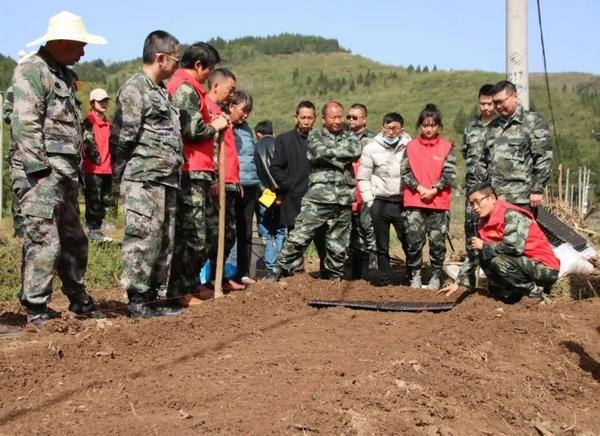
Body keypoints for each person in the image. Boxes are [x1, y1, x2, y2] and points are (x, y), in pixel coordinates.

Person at [11, 11, 106, 326]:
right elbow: (25, 124)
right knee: (44, 239)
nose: (83, 52)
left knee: (74, 240)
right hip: (41, 172)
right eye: (79, 44)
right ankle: (36, 308)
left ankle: (79, 300)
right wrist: (38, 172)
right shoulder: (31, 71)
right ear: (61, 41)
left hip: (65, 172)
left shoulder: (63, 75)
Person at [110, 30, 183, 318]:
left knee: (163, 240)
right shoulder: (134, 89)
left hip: (166, 178)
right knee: (143, 238)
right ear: (161, 57)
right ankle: (137, 299)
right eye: (176, 59)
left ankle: (153, 297)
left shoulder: (162, 91)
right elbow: (122, 138)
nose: (178, 65)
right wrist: (123, 176)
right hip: (144, 178)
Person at [267, 101, 362, 281]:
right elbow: (316, 153)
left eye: (340, 116)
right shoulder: (315, 135)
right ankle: (277, 269)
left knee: (338, 243)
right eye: (333, 117)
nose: (337, 121)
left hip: (343, 198)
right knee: (300, 234)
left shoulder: (350, 135)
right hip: (318, 198)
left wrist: (330, 154)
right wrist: (342, 156)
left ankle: (335, 277)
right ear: (324, 119)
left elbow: (356, 150)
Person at [165, 41, 228, 307]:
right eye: (208, 69)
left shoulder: (195, 91)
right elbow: (190, 130)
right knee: (192, 235)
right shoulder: (185, 89)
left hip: (201, 170)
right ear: (199, 65)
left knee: (206, 233)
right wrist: (215, 125)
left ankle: (189, 285)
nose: (209, 75)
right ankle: (179, 292)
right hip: (189, 170)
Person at [439, 182, 560, 303]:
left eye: (478, 201)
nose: (475, 207)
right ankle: (509, 293)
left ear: (492, 198)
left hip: (545, 269)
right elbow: (474, 255)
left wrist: (484, 246)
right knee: (483, 255)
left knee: (495, 258)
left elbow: (514, 248)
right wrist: (458, 283)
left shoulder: (512, 214)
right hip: (523, 264)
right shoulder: (483, 222)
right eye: (471, 203)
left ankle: (533, 292)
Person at [402, 104, 456, 290]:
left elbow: (449, 173)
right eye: (425, 125)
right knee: (414, 241)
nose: (428, 129)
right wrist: (419, 188)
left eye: (432, 125)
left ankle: (435, 275)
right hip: (414, 202)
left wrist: (434, 190)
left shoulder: (446, 147)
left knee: (437, 242)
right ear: (420, 125)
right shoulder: (410, 147)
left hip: (438, 203)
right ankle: (415, 275)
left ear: (438, 125)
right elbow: (405, 172)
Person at [477, 80, 554, 210]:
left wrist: (537, 189)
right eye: (495, 103)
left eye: (501, 101)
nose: (498, 106)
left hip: (521, 200)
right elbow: (483, 161)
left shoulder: (533, 122)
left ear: (515, 96)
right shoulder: (492, 127)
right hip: (494, 200)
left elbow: (543, 158)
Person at [269, 100, 326, 269]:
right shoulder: (284, 140)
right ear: (296, 118)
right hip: (294, 198)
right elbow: (275, 166)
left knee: (322, 236)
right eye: (303, 117)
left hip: (318, 198)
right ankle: (295, 272)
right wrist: (288, 185)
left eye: (310, 117)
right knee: (295, 238)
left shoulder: (322, 139)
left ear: (315, 119)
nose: (306, 121)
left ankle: (326, 269)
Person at [357, 112, 411, 286]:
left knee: (408, 240)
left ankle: (411, 275)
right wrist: (369, 201)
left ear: (401, 129)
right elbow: (363, 177)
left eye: (395, 128)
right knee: (381, 244)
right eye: (387, 128)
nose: (390, 132)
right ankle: (384, 280)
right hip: (380, 201)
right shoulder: (371, 148)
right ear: (382, 127)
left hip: (402, 201)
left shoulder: (409, 146)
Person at [204, 68, 245, 290]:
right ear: (216, 86)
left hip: (229, 181)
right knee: (211, 234)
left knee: (227, 233)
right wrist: (214, 180)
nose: (232, 94)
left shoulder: (221, 112)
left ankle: (217, 278)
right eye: (230, 89)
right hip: (216, 181)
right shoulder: (207, 109)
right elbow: (211, 149)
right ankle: (204, 281)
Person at [461, 83, 496, 287]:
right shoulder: (471, 126)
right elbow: (467, 154)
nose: (486, 108)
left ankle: (493, 280)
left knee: (492, 233)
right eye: (482, 103)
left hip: (492, 192)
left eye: (490, 104)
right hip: (472, 190)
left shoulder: (500, 126)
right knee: (471, 232)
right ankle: (468, 280)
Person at [232, 90, 259, 285]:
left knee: (246, 231)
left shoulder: (247, 129)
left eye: (248, 111)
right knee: (229, 232)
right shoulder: (226, 127)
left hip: (250, 186)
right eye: (243, 110)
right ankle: (227, 273)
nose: (246, 115)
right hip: (234, 185)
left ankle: (243, 271)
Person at [347, 103, 377, 279]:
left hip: (366, 191)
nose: (350, 120)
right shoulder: (342, 137)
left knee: (368, 229)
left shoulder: (374, 139)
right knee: (352, 234)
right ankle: (355, 274)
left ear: (364, 119)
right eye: (348, 117)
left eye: (355, 117)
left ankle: (371, 271)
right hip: (347, 192)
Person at [254, 120, 286, 274]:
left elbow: (253, 173)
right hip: (281, 194)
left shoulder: (254, 147)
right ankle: (281, 264)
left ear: (258, 134)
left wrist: (263, 190)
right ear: (272, 132)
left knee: (266, 232)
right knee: (280, 230)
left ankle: (271, 267)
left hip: (262, 195)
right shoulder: (281, 145)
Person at [82, 88, 113, 242]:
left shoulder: (107, 122)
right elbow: (87, 142)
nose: (104, 103)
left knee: (104, 200)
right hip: (93, 169)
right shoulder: (89, 120)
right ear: (93, 103)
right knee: (94, 200)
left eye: (105, 100)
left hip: (107, 169)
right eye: (100, 101)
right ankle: (93, 232)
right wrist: (98, 159)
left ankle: (98, 230)